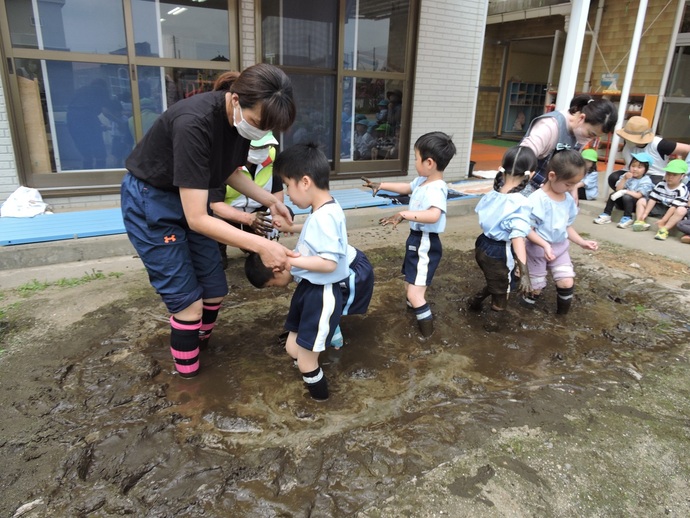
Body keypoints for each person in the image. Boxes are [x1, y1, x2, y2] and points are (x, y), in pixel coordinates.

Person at [120, 63, 297, 379]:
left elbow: (227, 170)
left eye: (268, 129)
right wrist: (260, 245)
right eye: (258, 123)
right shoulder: (194, 123)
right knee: (188, 304)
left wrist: (270, 199)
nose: (261, 132)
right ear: (234, 100)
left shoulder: (240, 124)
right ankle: (189, 386)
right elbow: (198, 218)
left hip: (191, 195)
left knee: (214, 290)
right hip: (154, 198)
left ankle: (192, 345)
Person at [271, 142, 349, 401]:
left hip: (321, 294)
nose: (288, 194)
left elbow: (329, 263)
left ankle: (321, 401)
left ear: (304, 182)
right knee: (293, 347)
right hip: (309, 290)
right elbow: (315, 235)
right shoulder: (324, 208)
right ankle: (310, 369)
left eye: (287, 186)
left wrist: (291, 259)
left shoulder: (324, 217)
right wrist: (291, 229)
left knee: (305, 360)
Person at [362, 131, 457, 337]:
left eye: (416, 158)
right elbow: (406, 187)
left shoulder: (437, 188)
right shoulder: (422, 181)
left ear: (429, 162)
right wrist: (381, 185)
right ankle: (412, 316)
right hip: (416, 240)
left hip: (426, 242)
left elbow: (434, 215)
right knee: (410, 284)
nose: (414, 162)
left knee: (415, 294)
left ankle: (427, 336)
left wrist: (404, 213)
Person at [244, 243, 374, 349]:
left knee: (331, 305)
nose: (274, 288)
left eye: (271, 285)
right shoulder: (295, 258)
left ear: (277, 271)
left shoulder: (301, 269)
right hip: (342, 265)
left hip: (352, 271)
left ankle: (334, 337)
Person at [523, 150, 599, 315]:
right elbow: (527, 229)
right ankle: (524, 312)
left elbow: (566, 226)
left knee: (566, 282)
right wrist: (544, 245)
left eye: (575, 184)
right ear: (552, 176)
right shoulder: (537, 200)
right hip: (537, 250)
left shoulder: (568, 200)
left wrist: (581, 242)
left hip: (559, 248)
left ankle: (562, 317)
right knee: (535, 287)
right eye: (568, 184)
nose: (572, 188)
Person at [469, 146, 542, 312]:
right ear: (530, 174)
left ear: (501, 170)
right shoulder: (520, 203)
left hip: (482, 245)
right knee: (502, 295)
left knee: (498, 281)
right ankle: (493, 327)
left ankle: (476, 300)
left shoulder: (492, 193)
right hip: (500, 252)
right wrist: (525, 273)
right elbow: (517, 240)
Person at [209, 131, 283, 269]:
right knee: (212, 219)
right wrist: (247, 218)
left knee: (284, 212)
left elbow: (277, 192)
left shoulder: (271, 157)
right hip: (229, 215)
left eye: (265, 146)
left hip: (258, 213)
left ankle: (257, 246)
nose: (262, 151)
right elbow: (215, 204)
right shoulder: (226, 160)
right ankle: (219, 250)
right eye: (255, 147)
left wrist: (275, 215)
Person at [520, 94, 618, 197]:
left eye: (595, 137)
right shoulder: (550, 126)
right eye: (591, 134)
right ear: (581, 118)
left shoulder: (579, 133)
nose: (590, 139)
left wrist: (573, 188)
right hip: (525, 186)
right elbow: (520, 160)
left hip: (547, 191)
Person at [608, 116, 690, 188]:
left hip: (654, 175)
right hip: (633, 172)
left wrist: (681, 167)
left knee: (655, 184)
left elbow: (687, 149)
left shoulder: (660, 144)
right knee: (613, 178)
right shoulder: (628, 143)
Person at [593, 152, 654, 229]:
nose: (635, 169)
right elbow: (618, 189)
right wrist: (624, 179)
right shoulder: (626, 175)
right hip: (623, 203)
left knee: (627, 197)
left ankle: (627, 217)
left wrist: (625, 192)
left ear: (645, 170)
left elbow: (639, 195)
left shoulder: (646, 180)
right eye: (633, 166)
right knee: (612, 195)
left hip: (635, 205)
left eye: (639, 167)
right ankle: (606, 214)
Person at [632, 159, 689, 240]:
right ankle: (640, 221)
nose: (670, 177)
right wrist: (645, 213)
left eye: (674, 175)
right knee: (642, 201)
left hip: (672, 211)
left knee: (682, 210)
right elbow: (653, 199)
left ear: (682, 176)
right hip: (660, 207)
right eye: (668, 173)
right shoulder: (661, 184)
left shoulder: (682, 189)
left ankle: (664, 229)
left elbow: (673, 207)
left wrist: (663, 220)